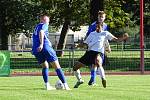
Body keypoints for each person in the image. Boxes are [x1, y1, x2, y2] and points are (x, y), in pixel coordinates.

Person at [73, 22, 128, 88]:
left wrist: (123, 38)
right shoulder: (92, 34)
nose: (97, 28)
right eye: (96, 27)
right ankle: (80, 80)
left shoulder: (105, 33)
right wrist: (78, 45)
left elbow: (116, 39)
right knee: (75, 67)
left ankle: (103, 79)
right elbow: (85, 44)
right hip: (90, 53)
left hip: (99, 52)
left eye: (98, 27)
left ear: (102, 27)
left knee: (98, 61)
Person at [32, 15, 71, 90]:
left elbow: (36, 36)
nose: (48, 23)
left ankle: (47, 85)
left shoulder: (36, 27)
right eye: (47, 21)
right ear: (43, 20)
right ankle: (66, 86)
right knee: (57, 67)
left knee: (45, 66)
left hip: (36, 49)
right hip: (45, 47)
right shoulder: (44, 25)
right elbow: (41, 32)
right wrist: (42, 44)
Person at [74, 11, 110, 88]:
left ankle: (92, 80)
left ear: (104, 18)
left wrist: (107, 46)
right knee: (93, 64)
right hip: (91, 48)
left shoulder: (106, 26)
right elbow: (88, 36)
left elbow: (105, 37)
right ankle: (92, 80)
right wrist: (85, 46)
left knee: (96, 64)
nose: (101, 18)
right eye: (100, 17)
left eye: (102, 17)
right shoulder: (93, 25)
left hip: (100, 49)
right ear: (98, 17)